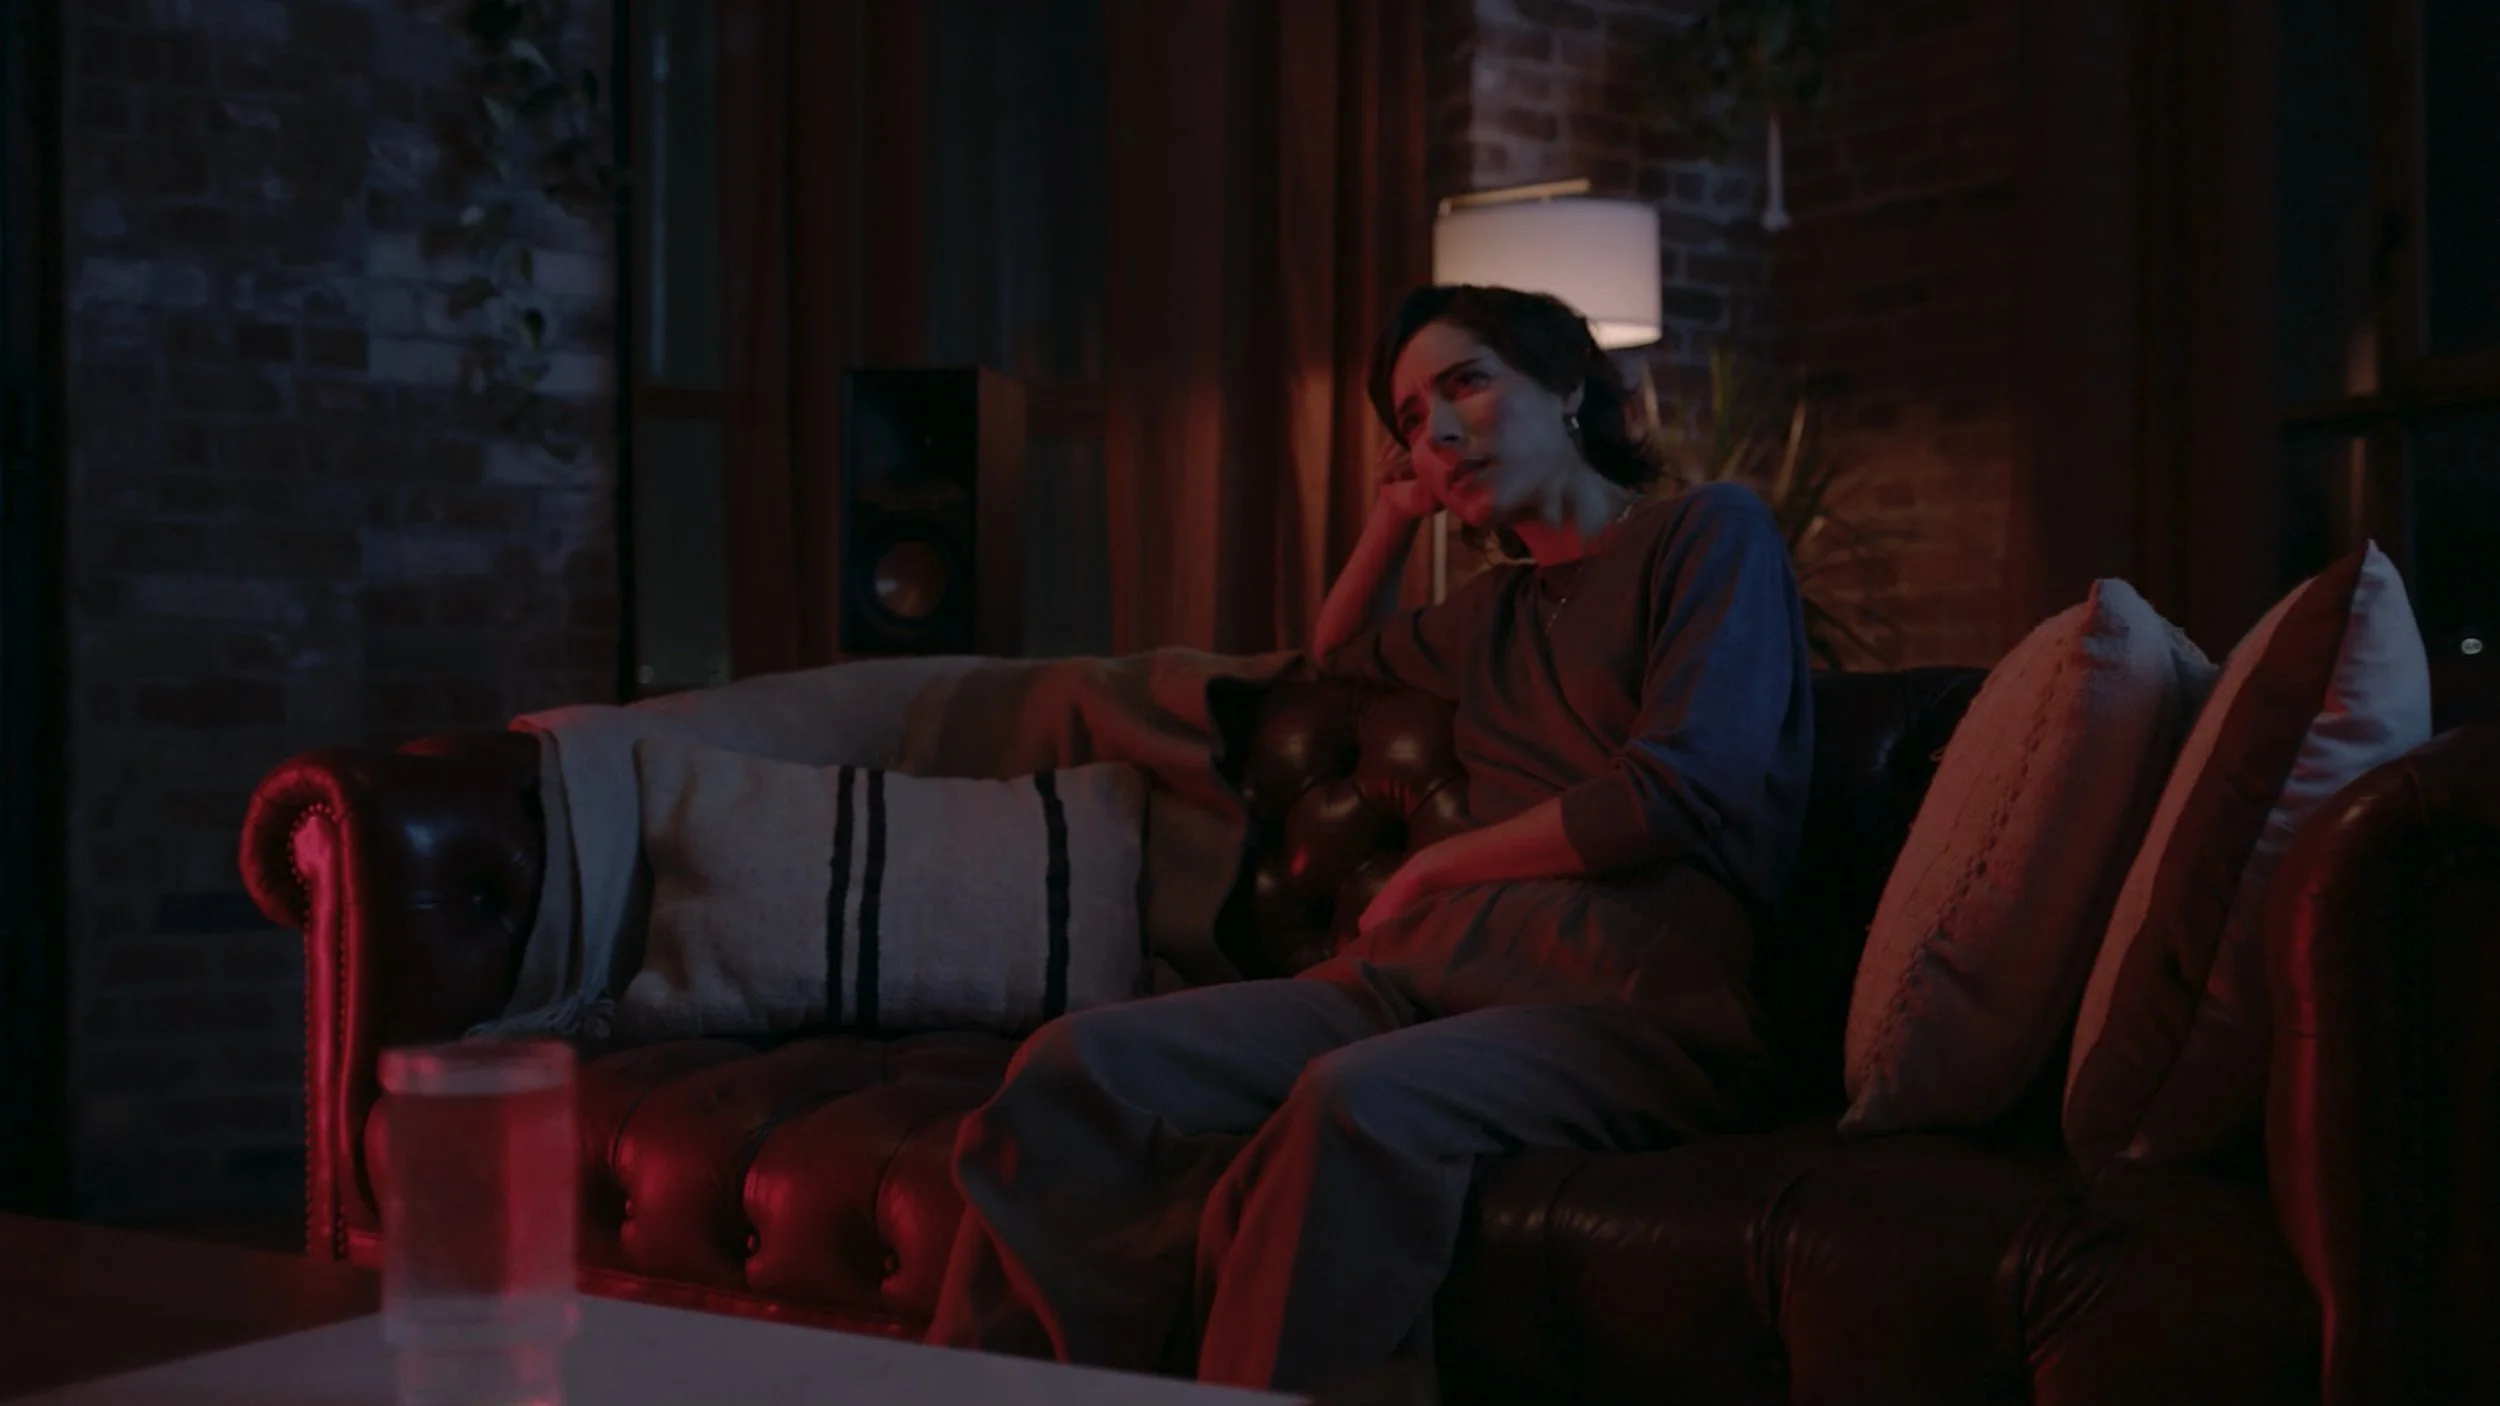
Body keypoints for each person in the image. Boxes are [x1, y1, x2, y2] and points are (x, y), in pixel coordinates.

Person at [924, 285, 1815, 1395]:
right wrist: (1394, 518)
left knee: (1350, 1104)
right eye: (1409, 419)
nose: (1435, 432)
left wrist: (1439, 860)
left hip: (1628, 998)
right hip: (1422, 974)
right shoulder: (1491, 613)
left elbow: (1683, 787)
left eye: (1465, 385)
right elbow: (1338, 654)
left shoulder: (1710, 531)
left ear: (1567, 385)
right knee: (1073, 1067)